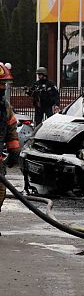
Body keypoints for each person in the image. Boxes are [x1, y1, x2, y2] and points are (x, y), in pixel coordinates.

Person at [0, 65, 21, 237]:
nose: (3, 88)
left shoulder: (4, 106)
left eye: (4, 84)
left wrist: (14, 152)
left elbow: (11, 128)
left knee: (0, 193)